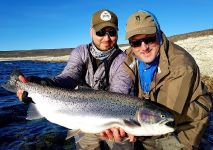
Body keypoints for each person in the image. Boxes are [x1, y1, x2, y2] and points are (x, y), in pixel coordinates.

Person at [16, 9, 134, 150]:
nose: (107, 38)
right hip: (81, 118)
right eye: (101, 32)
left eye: (112, 32)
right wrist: (44, 84)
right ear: (91, 31)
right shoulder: (80, 52)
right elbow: (69, 77)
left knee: (124, 145)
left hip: (113, 121)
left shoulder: (124, 60)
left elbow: (119, 93)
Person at [101, 10, 212, 149]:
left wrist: (128, 130)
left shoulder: (181, 66)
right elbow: (120, 89)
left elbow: (167, 115)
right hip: (148, 121)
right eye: (135, 42)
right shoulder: (129, 57)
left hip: (182, 128)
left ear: (159, 34)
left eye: (149, 39)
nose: (144, 47)